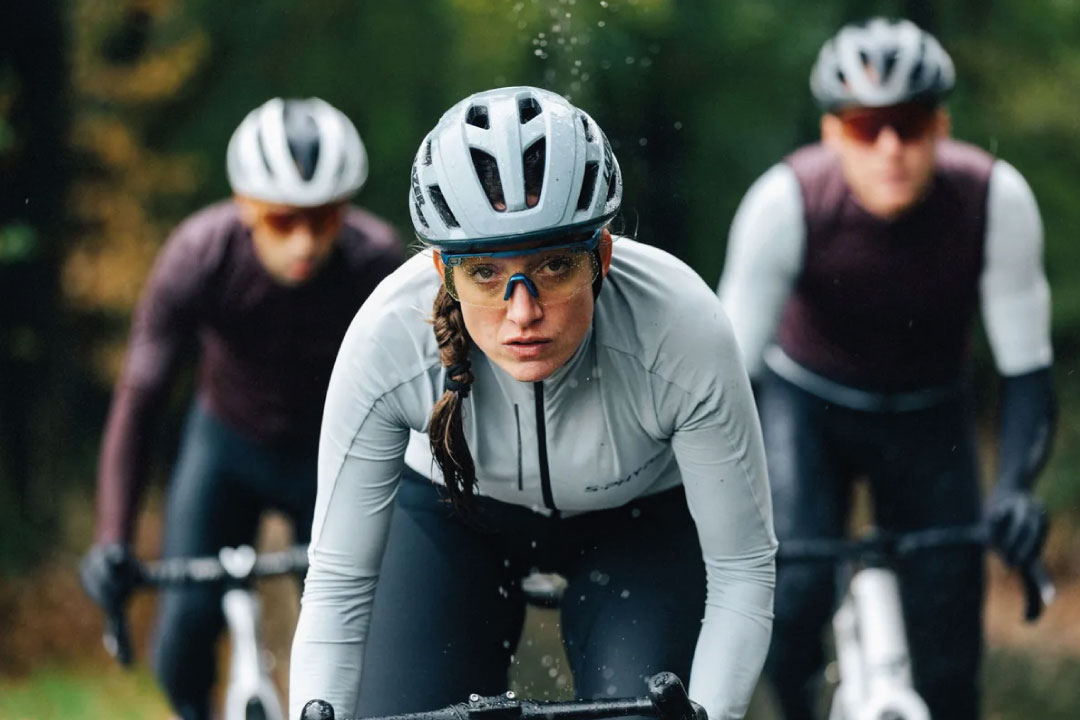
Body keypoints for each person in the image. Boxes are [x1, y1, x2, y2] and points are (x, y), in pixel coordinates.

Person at [287, 86, 777, 720]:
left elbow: (742, 572)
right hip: (450, 520)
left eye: (552, 266)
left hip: (636, 529)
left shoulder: (682, 329)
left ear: (600, 257)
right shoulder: (386, 339)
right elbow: (336, 585)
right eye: (486, 273)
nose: (523, 313)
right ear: (443, 271)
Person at [716, 17, 1055, 720]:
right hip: (806, 407)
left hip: (931, 415)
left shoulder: (996, 200)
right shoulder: (785, 204)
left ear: (941, 125)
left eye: (911, 124)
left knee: (951, 645)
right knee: (796, 597)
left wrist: (1017, 487)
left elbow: (1027, 371)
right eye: (869, 128)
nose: (892, 149)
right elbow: (725, 378)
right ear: (834, 134)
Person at [78, 97, 404, 720]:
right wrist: (113, 539)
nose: (305, 242)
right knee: (185, 632)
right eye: (283, 221)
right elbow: (141, 396)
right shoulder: (198, 256)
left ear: (346, 210)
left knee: (354, 630)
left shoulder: (375, 263)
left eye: (323, 218)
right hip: (226, 447)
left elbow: (419, 395)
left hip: (329, 457)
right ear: (245, 205)